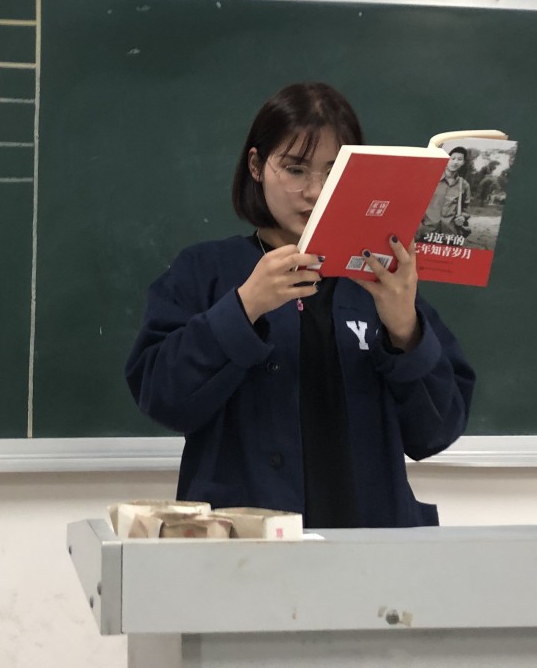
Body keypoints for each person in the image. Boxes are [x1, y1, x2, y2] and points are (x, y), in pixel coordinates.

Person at [124, 82, 475, 529]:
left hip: (372, 548)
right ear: (256, 166)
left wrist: (406, 331)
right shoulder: (206, 270)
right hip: (247, 546)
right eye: (295, 169)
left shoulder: (381, 279)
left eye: (334, 171)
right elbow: (162, 399)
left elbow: (436, 433)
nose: (315, 191)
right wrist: (244, 307)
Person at [418, 146, 472, 245]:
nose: (455, 162)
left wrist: (463, 217)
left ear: (463, 162)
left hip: (450, 235)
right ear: (447, 159)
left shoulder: (464, 185)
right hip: (427, 232)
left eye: (459, 159)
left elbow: (466, 208)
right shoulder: (431, 179)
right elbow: (417, 202)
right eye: (453, 158)